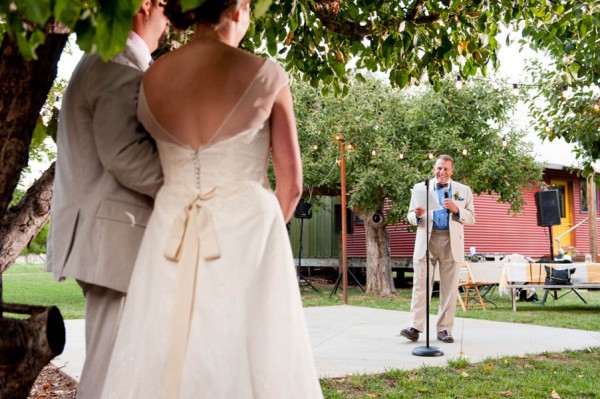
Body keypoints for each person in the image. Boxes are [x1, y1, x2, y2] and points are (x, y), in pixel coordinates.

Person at [101, 0, 324, 397]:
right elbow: (290, 185)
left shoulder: (151, 78)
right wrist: (265, 238)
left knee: (167, 346)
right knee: (250, 350)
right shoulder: (266, 74)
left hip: (170, 232)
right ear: (238, 8)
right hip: (248, 235)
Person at [46, 2, 168, 397]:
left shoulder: (107, 57)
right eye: (167, 5)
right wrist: (183, 185)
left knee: (121, 363)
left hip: (107, 236)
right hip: (113, 239)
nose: (170, 19)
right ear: (144, 5)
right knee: (110, 367)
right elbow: (124, 155)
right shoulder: (118, 62)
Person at [400, 155, 476, 344]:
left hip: (451, 242)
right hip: (427, 239)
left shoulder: (463, 191)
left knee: (449, 288)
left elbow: (472, 218)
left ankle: (444, 330)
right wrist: (416, 216)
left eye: (446, 169)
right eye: (439, 168)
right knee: (420, 285)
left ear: (452, 171)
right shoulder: (420, 188)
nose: (442, 172)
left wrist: (457, 210)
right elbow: (409, 215)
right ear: (434, 168)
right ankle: (415, 327)